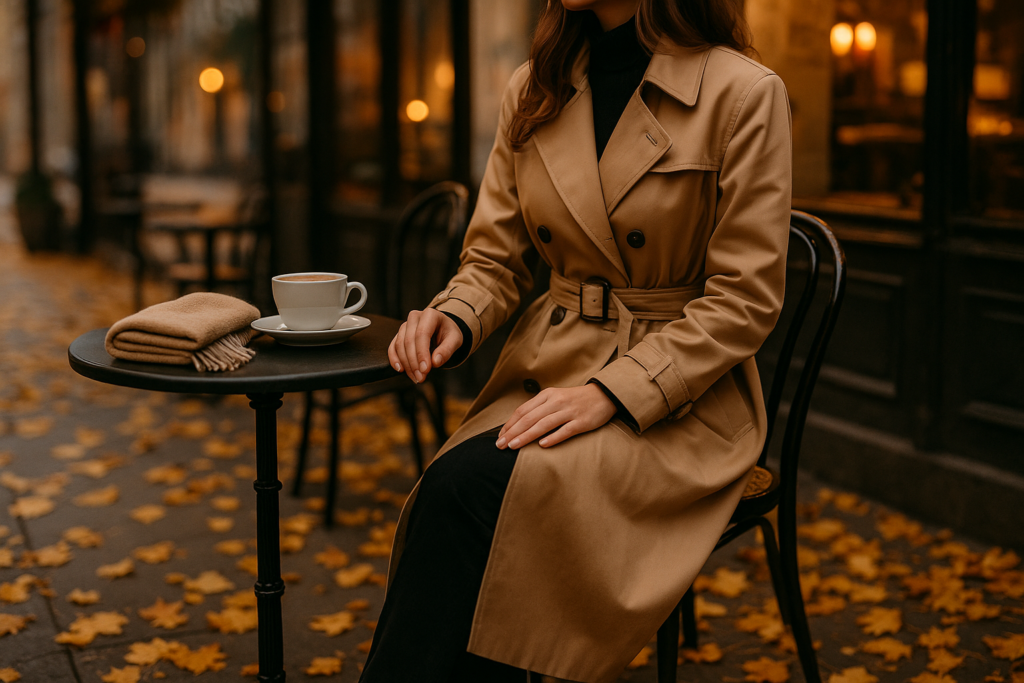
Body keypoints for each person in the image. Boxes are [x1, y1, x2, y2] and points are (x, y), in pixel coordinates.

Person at [361, 0, 792, 680]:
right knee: (456, 488)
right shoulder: (536, 87)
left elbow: (744, 301)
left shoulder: (742, 93)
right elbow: (495, 260)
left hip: (680, 400)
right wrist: (457, 313)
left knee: (476, 492)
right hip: (552, 365)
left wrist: (613, 393)